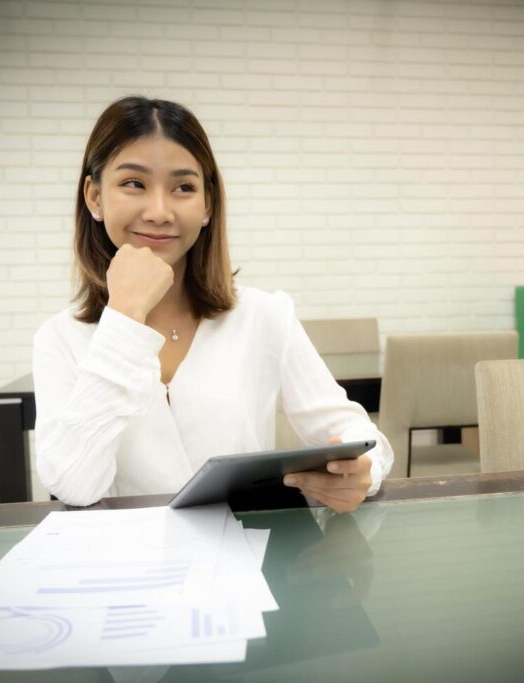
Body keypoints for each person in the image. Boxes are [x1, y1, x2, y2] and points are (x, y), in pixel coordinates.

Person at [33, 96, 393, 512]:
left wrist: (363, 473)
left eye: (183, 187)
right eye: (134, 183)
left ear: (207, 204)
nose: (159, 211)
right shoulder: (60, 338)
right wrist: (125, 319)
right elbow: (74, 484)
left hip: (248, 559)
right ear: (94, 197)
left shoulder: (265, 315)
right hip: (130, 567)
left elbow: (357, 434)